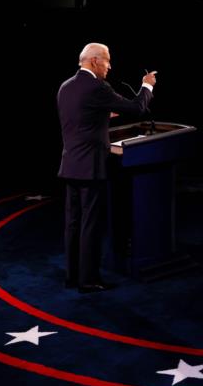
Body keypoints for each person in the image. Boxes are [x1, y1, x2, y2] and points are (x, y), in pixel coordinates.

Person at [57, 43, 157, 293]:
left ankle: (72, 276)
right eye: (107, 61)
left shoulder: (66, 87)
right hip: (90, 167)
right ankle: (89, 281)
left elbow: (79, 117)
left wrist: (102, 115)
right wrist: (147, 85)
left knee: (73, 224)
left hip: (70, 165)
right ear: (93, 61)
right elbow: (138, 108)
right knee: (90, 224)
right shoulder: (97, 87)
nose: (110, 66)